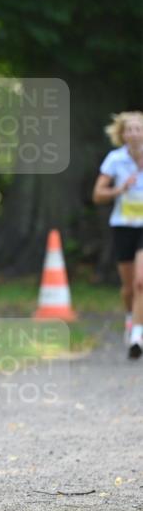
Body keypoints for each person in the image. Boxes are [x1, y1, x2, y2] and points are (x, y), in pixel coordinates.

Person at [92, 110, 143, 359]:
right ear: (122, 134)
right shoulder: (115, 160)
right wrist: (119, 190)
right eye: (130, 129)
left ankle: (136, 335)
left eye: (139, 128)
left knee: (141, 282)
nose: (134, 133)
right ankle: (130, 318)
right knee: (128, 288)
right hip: (123, 225)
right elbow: (98, 194)